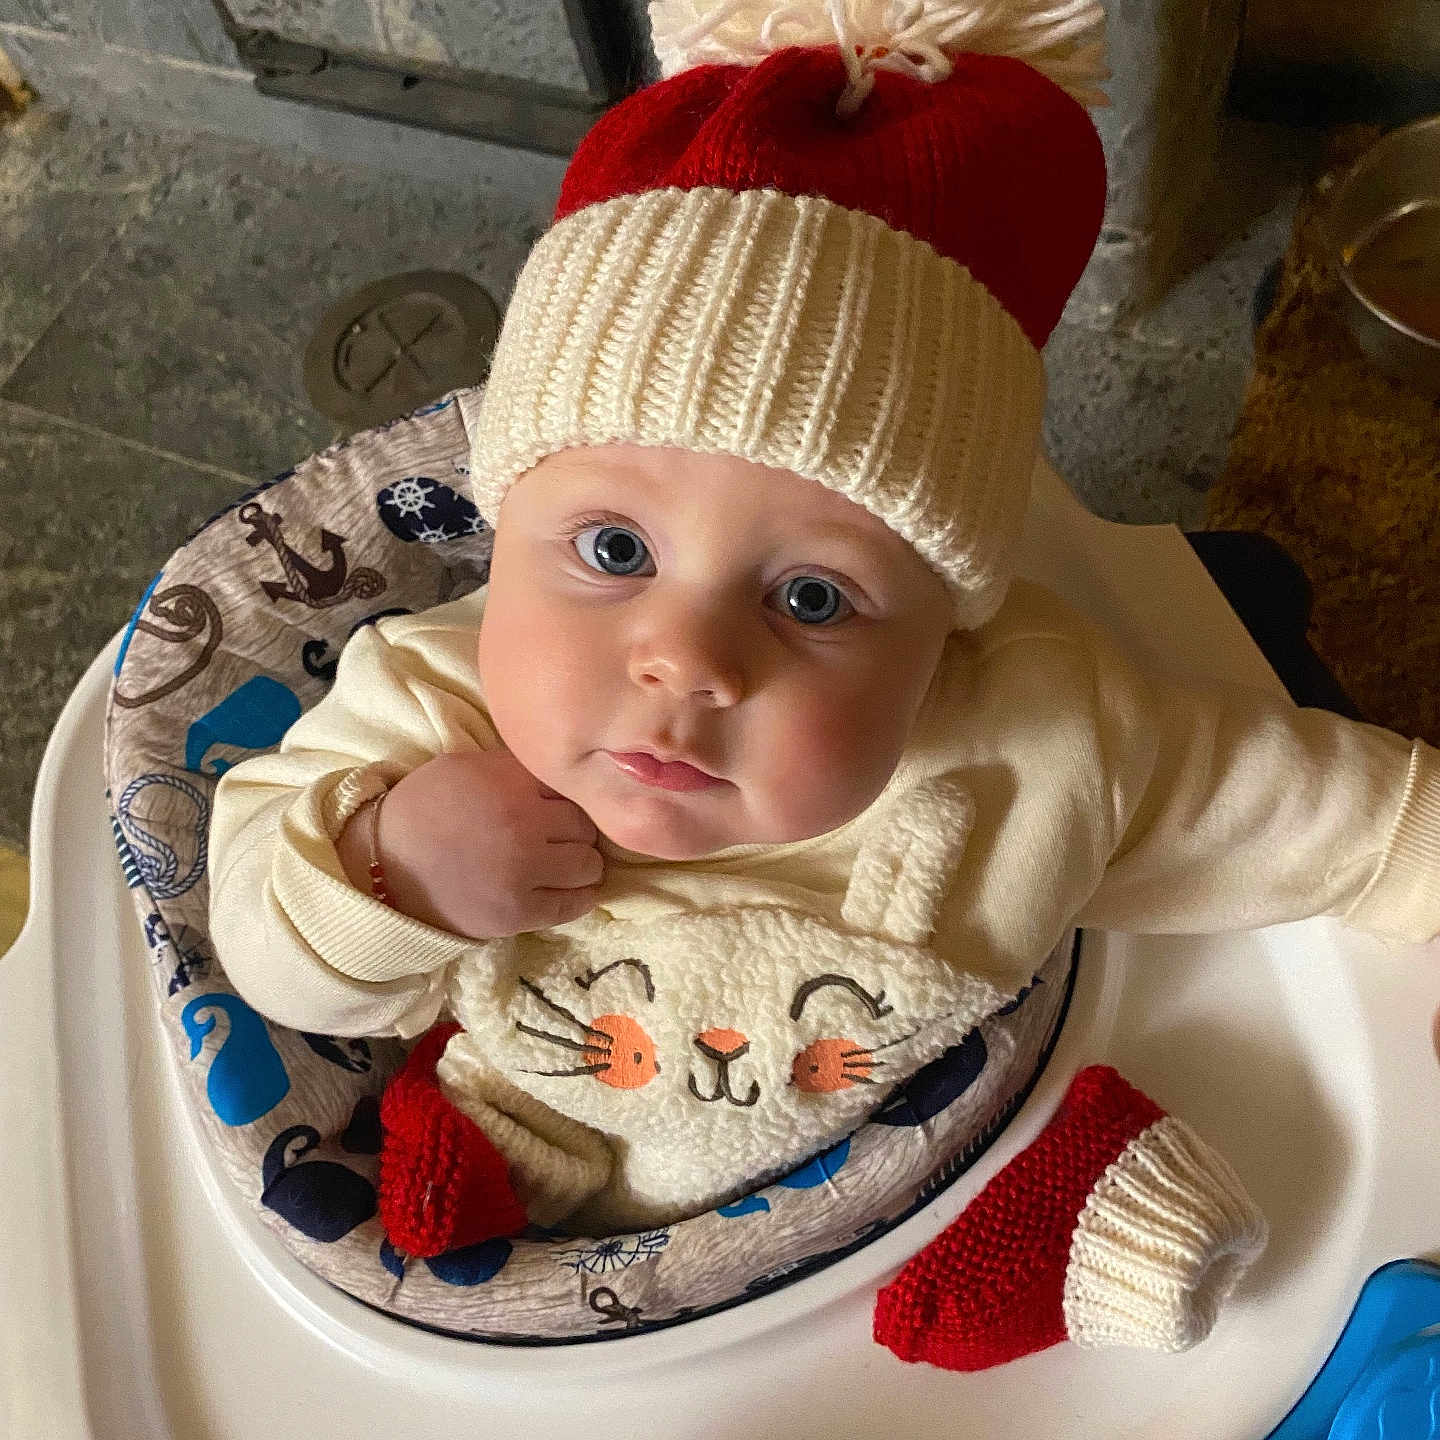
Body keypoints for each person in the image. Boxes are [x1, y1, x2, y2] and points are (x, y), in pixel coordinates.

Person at [208, 0, 1440, 1274]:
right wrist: (390, 871)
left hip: (920, 1212)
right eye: (614, 551)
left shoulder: (1042, 736)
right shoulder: (431, 708)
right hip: (509, 1187)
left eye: (811, 599)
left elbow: (1332, 818)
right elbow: (257, 939)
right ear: (500, 524)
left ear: (944, 634)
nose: (686, 660)